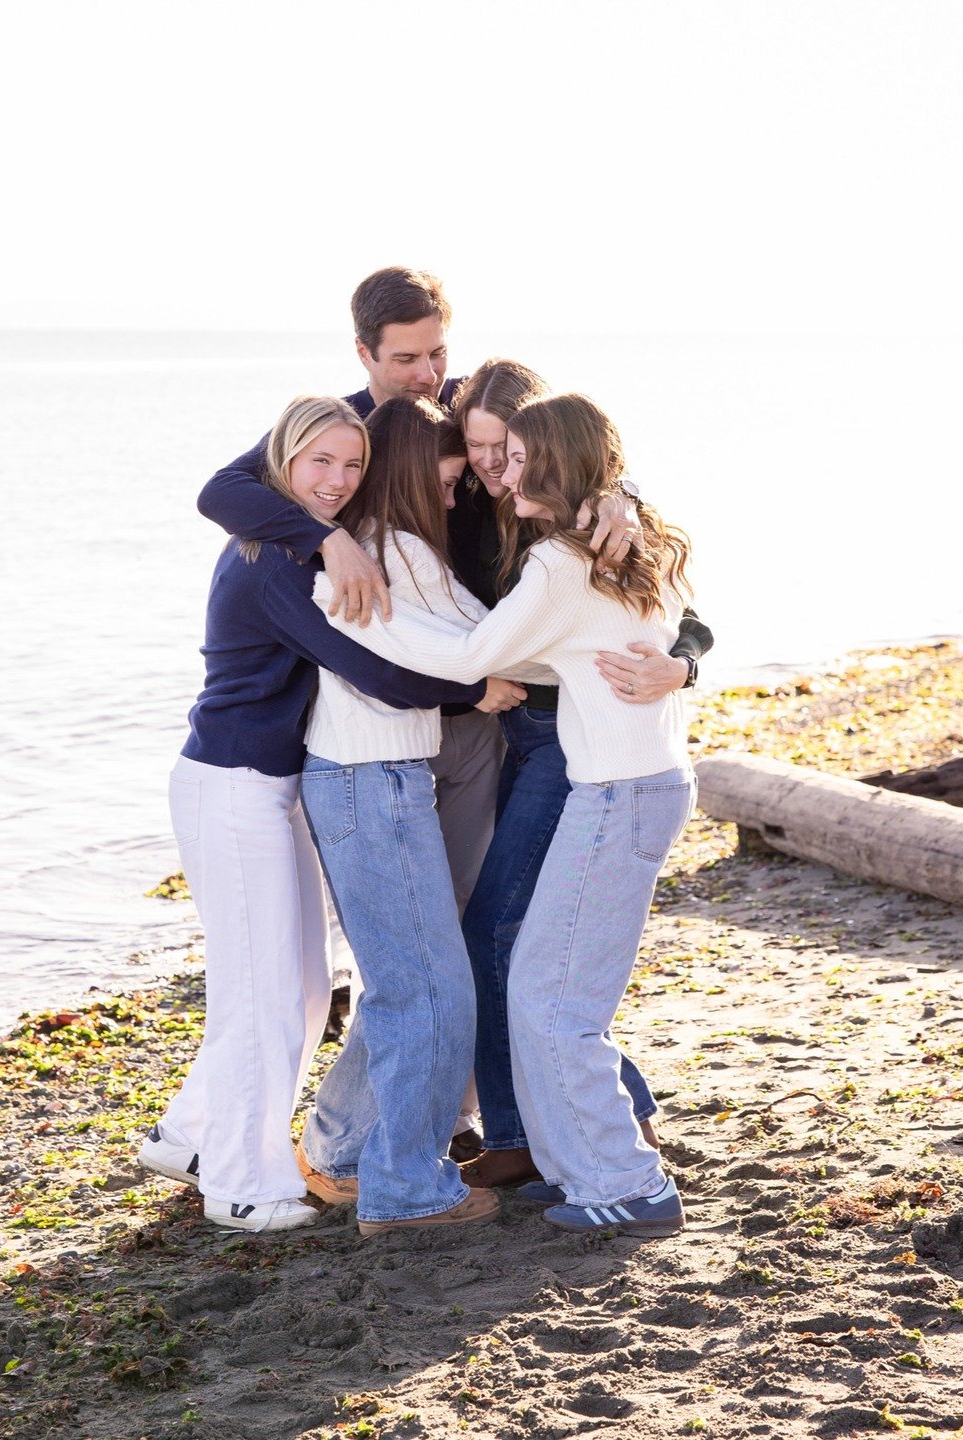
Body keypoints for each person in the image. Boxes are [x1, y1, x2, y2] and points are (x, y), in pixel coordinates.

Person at [317, 393, 695, 1237]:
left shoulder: (561, 562)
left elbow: (470, 655)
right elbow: (542, 655)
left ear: (555, 465)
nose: (501, 473)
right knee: (540, 988)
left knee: (552, 997)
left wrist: (346, 609)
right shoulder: (632, 547)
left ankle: (628, 1183)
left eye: (518, 458)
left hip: (618, 794)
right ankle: (577, 1166)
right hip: (635, 786)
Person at [140, 396, 510, 1233]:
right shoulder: (275, 561)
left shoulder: (295, 543)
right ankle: (242, 1186)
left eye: (353, 466)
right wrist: (475, 691)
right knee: (266, 992)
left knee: (308, 990)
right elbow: (367, 670)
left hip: (268, 786)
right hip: (232, 786)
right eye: (321, 463)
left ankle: (189, 1135)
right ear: (283, 461)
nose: (338, 481)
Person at [448, 360, 712, 1189]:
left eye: (509, 448)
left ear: (545, 451)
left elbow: (685, 615)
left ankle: (529, 1136)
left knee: (507, 936)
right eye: (480, 448)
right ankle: (601, 1120)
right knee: (535, 943)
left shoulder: (593, 526)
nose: (496, 464)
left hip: (577, 747)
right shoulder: (475, 508)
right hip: (524, 736)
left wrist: (682, 665)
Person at [297, 397, 526, 1235]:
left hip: (377, 774)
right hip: (368, 778)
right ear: (405, 474)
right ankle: (406, 1190)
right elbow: (470, 643)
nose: (455, 497)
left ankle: (344, 1152)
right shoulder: (388, 548)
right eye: (445, 481)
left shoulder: (387, 544)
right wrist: (503, 669)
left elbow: (466, 634)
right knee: (427, 988)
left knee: (412, 983)